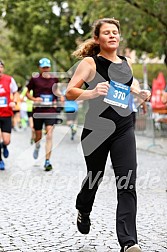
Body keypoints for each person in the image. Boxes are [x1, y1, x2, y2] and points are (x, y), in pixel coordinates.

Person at [65, 18, 151, 252]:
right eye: (107, 33)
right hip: (97, 129)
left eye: (115, 32)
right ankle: (84, 208)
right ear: (97, 39)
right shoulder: (90, 63)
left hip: (123, 127)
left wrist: (141, 93)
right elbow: (70, 92)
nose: (112, 36)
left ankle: (129, 242)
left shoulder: (126, 62)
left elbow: (129, 85)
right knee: (95, 176)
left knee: (127, 182)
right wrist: (92, 92)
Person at [26, 57, 64, 171]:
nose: (46, 69)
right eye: (43, 67)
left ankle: (47, 161)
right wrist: (34, 99)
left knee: (49, 135)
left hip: (50, 111)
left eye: (47, 67)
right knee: (38, 136)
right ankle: (37, 146)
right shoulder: (34, 79)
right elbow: (27, 92)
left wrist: (60, 96)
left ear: (50, 67)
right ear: (40, 68)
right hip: (38, 111)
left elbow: (56, 90)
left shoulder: (54, 79)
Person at [0, 60, 18, 170]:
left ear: (3, 68)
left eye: (1, 67)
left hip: (6, 114)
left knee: (6, 140)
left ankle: (4, 146)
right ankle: (0, 160)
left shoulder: (9, 80)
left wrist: (14, 102)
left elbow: (15, 92)